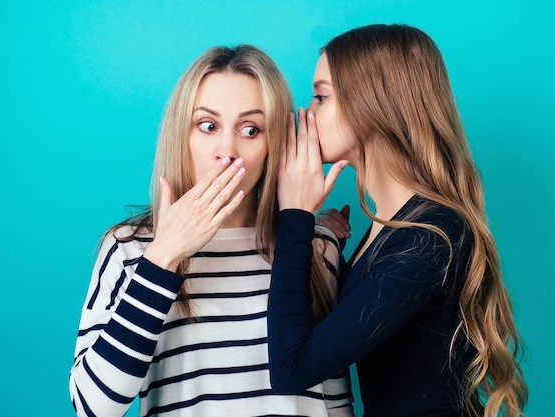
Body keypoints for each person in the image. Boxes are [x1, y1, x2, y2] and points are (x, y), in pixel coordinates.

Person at [69, 44, 354, 417]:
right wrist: (162, 256)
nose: (227, 150)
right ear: (182, 134)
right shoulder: (129, 250)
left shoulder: (316, 248)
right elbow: (94, 407)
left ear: (274, 145)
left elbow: (334, 401)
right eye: (208, 126)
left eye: (251, 129)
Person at [267, 24, 528, 417]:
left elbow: (292, 368)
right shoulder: (388, 227)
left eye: (321, 96)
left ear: (374, 104)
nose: (307, 112)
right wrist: (320, 235)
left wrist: (295, 215)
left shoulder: (431, 235)